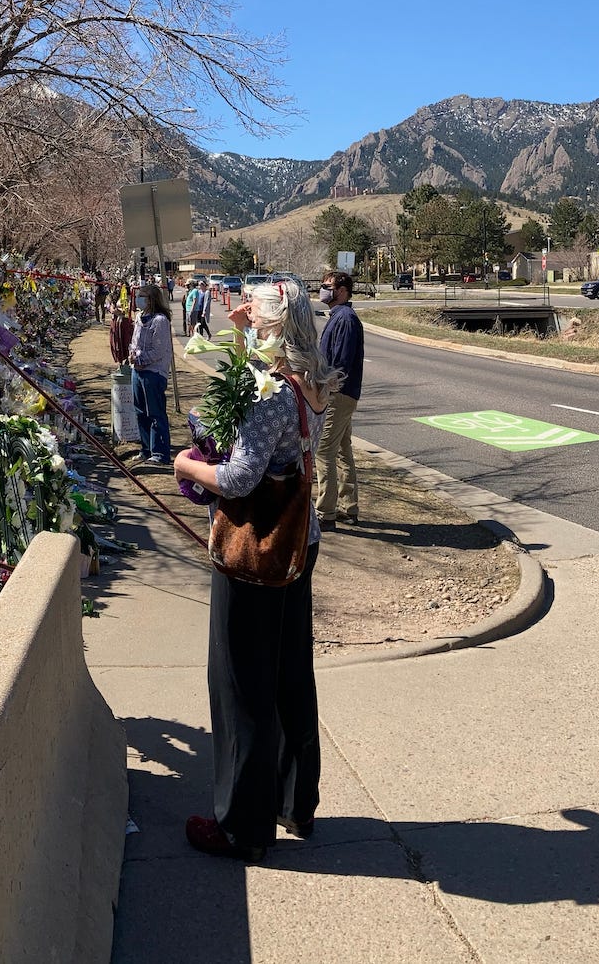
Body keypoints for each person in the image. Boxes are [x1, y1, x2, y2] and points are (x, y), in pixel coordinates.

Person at [172, 291, 335, 858]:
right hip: (297, 544)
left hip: (254, 552)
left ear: (272, 325)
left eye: (253, 314)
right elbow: (262, 386)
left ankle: (241, 825)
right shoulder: (308, 384)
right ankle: (295, 801)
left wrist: (188, 465)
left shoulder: (268, 398)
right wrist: (242, 334)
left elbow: (240, 479)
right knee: (291, 675)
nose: (244, 318)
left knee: (240, 683)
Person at [316, 270, 365, 524]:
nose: (323, 289)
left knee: (323, 450)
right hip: (340, 393)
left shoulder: (345, 318)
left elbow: (341, 363)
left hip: (339, 395)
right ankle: (350, 507)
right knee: (343, 450)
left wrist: (328, 387)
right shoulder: (337, 316)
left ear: (342, 291)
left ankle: (326, 512)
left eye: (328, 286)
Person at [127, 285, 176, 465]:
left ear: (151, 299)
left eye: (143, 297)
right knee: (140, 412)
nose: (139, 300)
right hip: (137, 372)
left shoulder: (160, 321)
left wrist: (141, 359)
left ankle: (160, 453)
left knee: (155, 413)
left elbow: (159, 350)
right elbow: (133, 342)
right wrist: (132, 355)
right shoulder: (139, 318)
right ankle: (146, 449)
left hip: (153, 372)